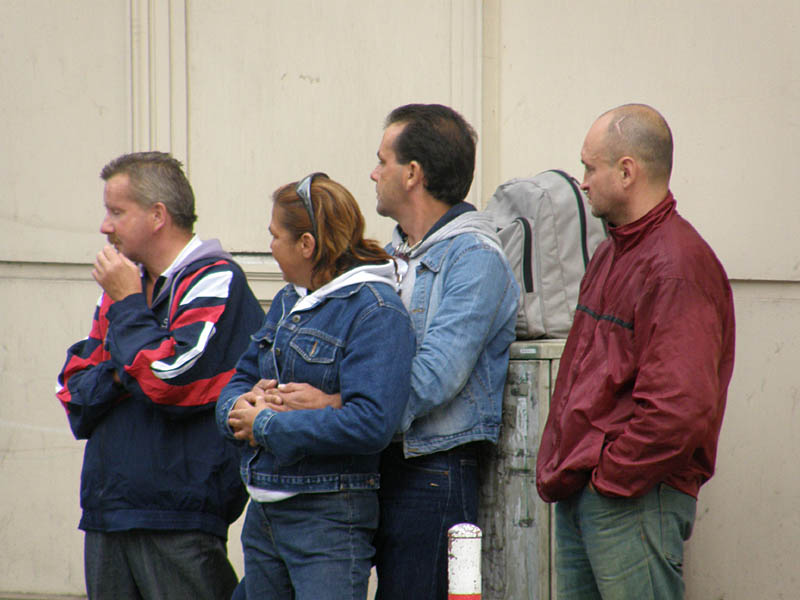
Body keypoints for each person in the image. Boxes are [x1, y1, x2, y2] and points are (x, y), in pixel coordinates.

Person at [536, 104, 736, 600]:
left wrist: (610, 478)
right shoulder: (613, 251)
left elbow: (678, 408)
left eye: (589, 167)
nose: (583, 182)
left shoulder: (675, 266)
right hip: (593, 491)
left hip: (631, 499)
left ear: (627, 172)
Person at [56, 151, 264, 599]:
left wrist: (131, 310)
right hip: (107, 509)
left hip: (178, 514)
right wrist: (125, 372)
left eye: (116, 211)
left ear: (157, 216)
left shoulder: (215, 279)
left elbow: (168, 381)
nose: (104, 226)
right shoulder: (125, 284)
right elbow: (74, 392)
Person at [216, 173, 415, 600]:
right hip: (264, 513)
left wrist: (264, 425)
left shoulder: (375, 310)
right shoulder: (289, 299)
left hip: (327, 517)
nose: (271, 246)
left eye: (275, 236)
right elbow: (240, 379)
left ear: (306, 244)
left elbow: (372, 423)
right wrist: (237, 407)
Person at [368, 103, 519, 599]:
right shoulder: (389, 258)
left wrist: (350, 414)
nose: (374, 173)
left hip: (433, 473)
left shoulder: (474, 257)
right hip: (380, 462)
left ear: (413, 173)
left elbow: (436, 375)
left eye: (383, 161)